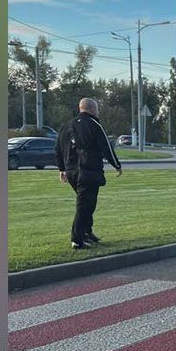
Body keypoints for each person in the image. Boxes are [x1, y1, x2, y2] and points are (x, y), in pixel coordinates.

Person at [56, 98, 122, 249]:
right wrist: (117, 165)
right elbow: (106, 147)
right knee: (85, 206)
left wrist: (61, 169)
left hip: (72, 171)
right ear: (92, 109)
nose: (98, 112)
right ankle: (77, 239)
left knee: (87, 204)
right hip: (89, 170)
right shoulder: (94, 125)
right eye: (97, 109)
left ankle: (87, 232)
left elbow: (58, 148)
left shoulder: (67, 126)